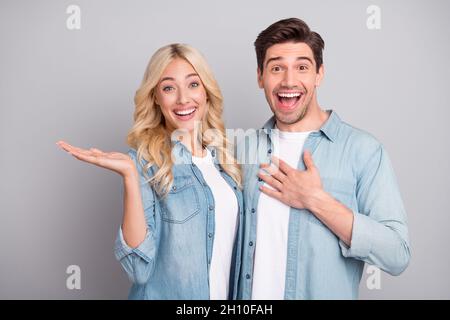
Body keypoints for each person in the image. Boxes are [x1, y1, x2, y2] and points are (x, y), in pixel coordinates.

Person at [237, 18, 411, 299]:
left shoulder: (363, 151)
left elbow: (397, 254)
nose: (289, 81)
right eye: (277, 68)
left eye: (302, 67)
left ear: (319, 74)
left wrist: (315, 200)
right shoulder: (240, 151)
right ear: (260, 76)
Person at [56, 43, 243, 300]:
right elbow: (137, 269)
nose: (183, 98)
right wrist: (130, 176)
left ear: (207, 91)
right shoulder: (144, 163)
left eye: (193, 84)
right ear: (155, 96)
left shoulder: (226, 162)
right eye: (168, 88)